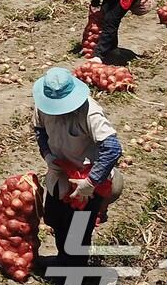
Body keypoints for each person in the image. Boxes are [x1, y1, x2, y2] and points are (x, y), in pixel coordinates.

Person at [32, 67, 124, 268]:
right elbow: (40, 130)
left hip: (86, 178)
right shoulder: (42, 107)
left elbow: (112, 148)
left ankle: (75, 270)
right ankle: (63, 258)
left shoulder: (90, 112)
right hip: (59, 173)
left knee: (78, 230)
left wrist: (90, 183)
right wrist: (47, 155)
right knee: (55, 219)